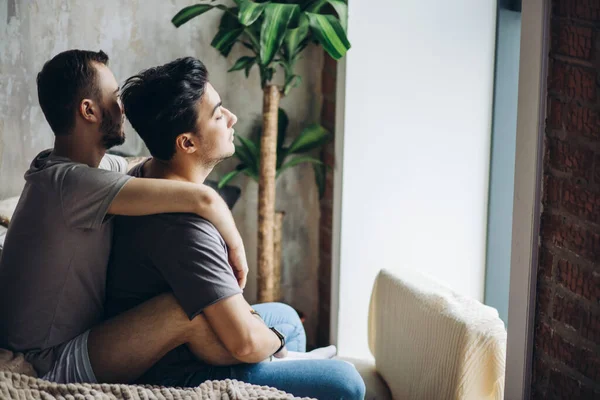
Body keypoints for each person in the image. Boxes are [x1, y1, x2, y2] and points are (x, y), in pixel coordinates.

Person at [105, 57, 366, 400]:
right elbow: (243, 343)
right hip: (181, 370)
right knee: (347, 383)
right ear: (186, 143)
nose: (232, 118)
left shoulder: (146, 176)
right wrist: (278, 342)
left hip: (193, 339)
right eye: (217, 115)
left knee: (286, 315)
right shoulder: (184, 230)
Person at [0, 49, 256, 385]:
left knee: (236, 316)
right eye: (114, 97)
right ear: (89, 111)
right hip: (47, 363)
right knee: (182, 310)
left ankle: (266, 351)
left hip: (76, 343)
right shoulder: (70, 184)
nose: (121, 108)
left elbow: (142, 168)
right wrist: (236, 252)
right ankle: (264, 356)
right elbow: (204, 199)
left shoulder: (81, 169)